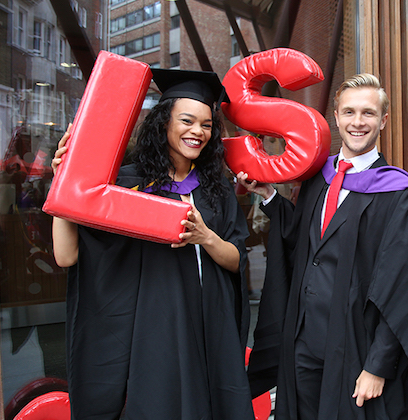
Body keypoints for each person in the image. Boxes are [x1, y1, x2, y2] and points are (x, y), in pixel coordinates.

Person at [51, 69, 254, 419]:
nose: (198, 132)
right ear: (163, 123)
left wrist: (205, 236)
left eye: (206, 125)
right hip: (152, 332)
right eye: (187, 121)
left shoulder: (217, 190)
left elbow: (237, 260)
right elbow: (66, 255)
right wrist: (64, 186)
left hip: (208, 324)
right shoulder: (126, 187)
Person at [238, 73, 408, 420]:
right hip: (304, 342)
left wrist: (378, 365)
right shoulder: (319, 177)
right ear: (336, 117)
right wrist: (268, 195)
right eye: (349, 112)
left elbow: (404, 289)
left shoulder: (399, 195)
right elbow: (301, 241)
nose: (357, 122)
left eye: (368, 113)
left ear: (383, 120)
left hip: (357, 346)